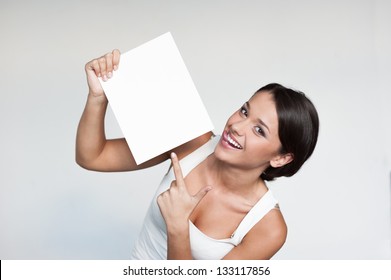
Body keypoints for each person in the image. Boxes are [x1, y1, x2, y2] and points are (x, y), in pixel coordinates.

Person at [76, 49, 319, 260]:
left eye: (259, 130)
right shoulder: (190, 140)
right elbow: (92, 157)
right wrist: (98, 97)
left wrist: (178, 226)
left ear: (281, 158)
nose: (236, 126)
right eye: (244, 111)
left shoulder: (268, 228)